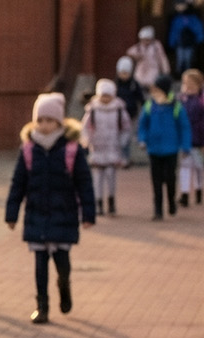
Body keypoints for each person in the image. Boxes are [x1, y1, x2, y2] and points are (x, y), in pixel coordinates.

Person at [6, 93, 96, 324]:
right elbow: (18, 183)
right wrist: (12, 213)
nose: (44, 125)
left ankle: (64, 286)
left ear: (59, 121)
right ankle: (42, 305)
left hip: (63, 214)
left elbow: (84, 183)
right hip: (36, 213)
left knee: (62, 263)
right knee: (39, 264)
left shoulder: (71, 150)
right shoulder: (28, 150)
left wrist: (88, 213)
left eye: (49, 120)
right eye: (40, 120)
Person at [138, 73, 191, 219]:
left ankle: (171, 202)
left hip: (171, 149)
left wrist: (185, 146)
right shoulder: (149, 105)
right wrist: (142, 139)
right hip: (154, 149)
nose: (154, 93)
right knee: (156, 180)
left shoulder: (176, 106)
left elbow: (184, 127)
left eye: (157, 90)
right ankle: (158, 209)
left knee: (170, 178)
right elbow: (143, 125)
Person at [81, 78, 134, 216]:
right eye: (103, 95)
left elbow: (126, 128)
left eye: (108, 95)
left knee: (111, 177)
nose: (105, 99)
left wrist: (122, 142)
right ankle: (98, 203)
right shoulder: (92, 110)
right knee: (97, 179)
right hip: (97, 148)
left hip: (112, 148)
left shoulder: (119, 110)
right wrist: (86, 141)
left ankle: (111, 200)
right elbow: (85, 128)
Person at [176, 69, 204, 207]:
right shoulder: (180, 100)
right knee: (185, 167)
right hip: (185, 140)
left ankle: (199, 190)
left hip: (199, 139)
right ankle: (184, 194)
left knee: (198, 167)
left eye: (192, 84)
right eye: (186, 84)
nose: (188, 87)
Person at [167, 0, 204, 75]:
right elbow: (174, 31)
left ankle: (188, 76)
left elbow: (198, 28)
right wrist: (171, 42)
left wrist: (200, 38)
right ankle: (180, 76)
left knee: (188, 60)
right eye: (178, 5)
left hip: (190, 43)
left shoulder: (192, 17)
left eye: (181, 5)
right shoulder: (176, 18)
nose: (179, 7)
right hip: (180, 43)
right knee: (180, 60)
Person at [126, 25, 169, 92]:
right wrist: (137, 56)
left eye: (147, 40)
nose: (145, 42)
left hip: (153, 68)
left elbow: (162, 58)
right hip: (141, 68)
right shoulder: (139, 47)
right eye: (143, 40)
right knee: (138, 82)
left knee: (152, 83)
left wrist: (165, 70)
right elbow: (129, 52)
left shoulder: (156, 46)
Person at [114, 54, 146, 120]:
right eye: (122, 73)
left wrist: (144, 104)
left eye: (126, 73)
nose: (124, 76)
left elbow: (140, 96)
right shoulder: (115, 84)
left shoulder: (134, 84)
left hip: (131, 112)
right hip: (117, 113)